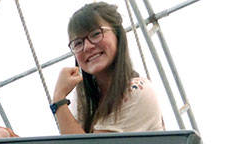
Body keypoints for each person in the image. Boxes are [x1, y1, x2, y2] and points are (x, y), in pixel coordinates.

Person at [53, 3, 164, 135]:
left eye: (95, 34)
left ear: (117, 35)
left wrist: (59, 100)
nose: (87, 46)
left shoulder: (136, 90)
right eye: (78, 43)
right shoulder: (83, 97)